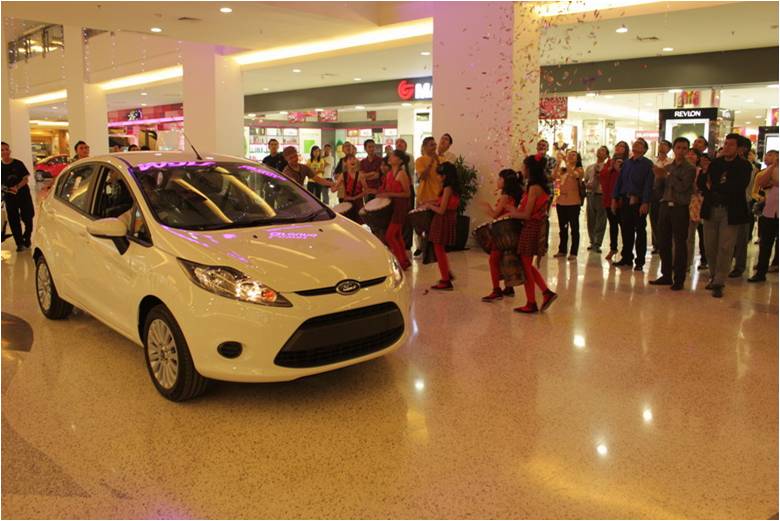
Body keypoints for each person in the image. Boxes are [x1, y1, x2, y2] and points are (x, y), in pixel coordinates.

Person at [697, 133, 752, 298]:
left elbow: (737, 186)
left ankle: (720, 281)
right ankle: (714, 276)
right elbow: (705, 183)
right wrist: (713, 190)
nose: (727, 147)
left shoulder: (744, 166)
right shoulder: (716, 164)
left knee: (725, 246)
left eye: (731, 145)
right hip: (711, 208)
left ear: (738, 148)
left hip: (731, 210)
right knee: (710, 245)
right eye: (726, 143)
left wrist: (718, 189)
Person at [508, 155, 557, 314]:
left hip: (531, 227)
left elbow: (527, 214)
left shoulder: (534, 188)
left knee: (525, 266)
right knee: (526, 264)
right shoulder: (537, 186)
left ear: (530, 169)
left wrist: (513, 212)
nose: (522, 170)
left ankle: (532, 301)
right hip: (534, 226)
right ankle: (545, 293)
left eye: (524, 167)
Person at [649, 137, 696, 290]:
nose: (681, 151)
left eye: (684, 148)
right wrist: (659, 177)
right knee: (663, 241)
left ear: (687, 150)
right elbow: (659, 187)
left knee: (680, 243)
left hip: (679, 207)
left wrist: (668, 175)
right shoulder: (669, 166)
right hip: (665, 205)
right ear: (674, 149)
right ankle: (666, 274)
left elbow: (683, 187)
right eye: (678, 147)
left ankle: (679, 278)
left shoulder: (689, 168)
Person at [479, 169, 523, 301]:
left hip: (503, 232)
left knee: (494, 259)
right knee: (505, 258)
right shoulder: (515, 194)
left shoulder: (505, 196)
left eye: (500, 178)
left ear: (505, 181)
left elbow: (495, 214)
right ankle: (509, 287)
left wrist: (486, 207)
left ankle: (496, 290)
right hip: (512, 230)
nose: (498, 181)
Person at [611, 138, 654, 271]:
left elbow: (648, 184)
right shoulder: (627, 163)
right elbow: (620, 182)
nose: (636, 145)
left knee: (640, 231)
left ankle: (640, 261)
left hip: (639, 201)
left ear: (645, 149)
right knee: (626, 230)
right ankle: (627, 257)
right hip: (625, 200)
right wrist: (614, 198)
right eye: (635, 143)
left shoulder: (647, 164)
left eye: (640, 144)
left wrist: (645, 202)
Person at [425, 162, 460, 290]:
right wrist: (431, 202)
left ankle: (445, 280)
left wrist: (429, 206)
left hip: (442, 220)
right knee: (440, 250)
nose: (438, 178)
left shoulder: (447, 188)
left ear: (445, 176)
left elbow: (442, 210)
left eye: (440, 175)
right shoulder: (453, 188)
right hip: (448, 219)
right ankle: (447, 274)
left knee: (439, 250)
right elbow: (444, 202)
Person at [376, 150, 412, 270]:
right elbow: (385, 190)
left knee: (390, 236)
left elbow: (407, 194)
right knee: (397, 235)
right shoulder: (390, 174)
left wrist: (390, 193)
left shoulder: (402, 174)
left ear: (400, 160)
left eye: (393, 156)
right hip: (393, 207)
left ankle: (401, 260)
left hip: (400, 207)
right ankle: (404, 260)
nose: (390, 157)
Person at [729, 135, 758, 278]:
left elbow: (745, 188)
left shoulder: (748, 167)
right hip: (728, 203)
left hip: (743, 203)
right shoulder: (726, 163)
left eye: (732, 145)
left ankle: (739, 266)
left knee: (740, 237)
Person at [748, 151, 778, 283]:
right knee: (765, 244)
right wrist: (772, 167)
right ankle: (761, 272)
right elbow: (762, 182)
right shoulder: (771, 170)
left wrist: (775, 182)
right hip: (769, 212)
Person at [1, 142, 35, 252]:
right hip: (10, 198)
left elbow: (25, 179)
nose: (5, 151)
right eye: (2, 150)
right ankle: (19, 243)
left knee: (28, 217)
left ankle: (27, 236)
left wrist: (17, 187)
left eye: (6, 149)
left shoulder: (18, 164)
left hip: (23, 195)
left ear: (10, 150)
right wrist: (6, 189)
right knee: (14, 221)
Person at [552, 149, 583, 260]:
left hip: (573, 203)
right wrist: (558, 163)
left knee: (574, 228)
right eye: (569, 154)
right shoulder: (563, 170)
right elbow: (555, 179)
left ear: (577, 158)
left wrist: (566, 160)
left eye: (573, 155)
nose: (570, 156)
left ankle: (574, 252)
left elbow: (574, 175)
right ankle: (562, 250)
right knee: (563, 227)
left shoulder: (579, 169)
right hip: (561, 202)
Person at [414, 137, 442, 258]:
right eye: (431, 145)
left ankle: (430, 248)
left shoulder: (440, 159)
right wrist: (430, 162)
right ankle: (420, 246)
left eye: (434, 144)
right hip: (424, 195)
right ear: (425, 147)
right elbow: (423, 177)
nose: (434, 146)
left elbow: (443, 175)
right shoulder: (420, 160)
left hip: (437, 195)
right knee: (420, 224)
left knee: (433, 225)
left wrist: (438, 161)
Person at [601, 142, 627, 260]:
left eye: (622, 146)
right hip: (608, 196)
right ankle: (613, 247)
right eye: (617, 146)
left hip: (621, 198)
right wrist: (611, 167)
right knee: (612, 225)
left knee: (624, 225)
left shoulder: (628, 162)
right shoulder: (610, 161)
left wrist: (618, 169)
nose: (618, 148)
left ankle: (626, 250)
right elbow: (602, 175)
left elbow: (626, 177)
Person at [686, 148, 709, 273]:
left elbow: (699, 188)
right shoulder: (680, 169)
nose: (690, 156)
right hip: (683, 203)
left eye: (693, 154)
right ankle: (681, 261)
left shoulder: (700, 172)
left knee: (695, 235)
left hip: (697, 204)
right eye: (688, 153)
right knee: (684, 235)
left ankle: (689, 262)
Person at [650, 139, 673, 254]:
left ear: (669, 149)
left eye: (665, 146)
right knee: (654, 219)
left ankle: (664, 243)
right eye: (661, 145)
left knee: (664, 220)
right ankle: (656, 244)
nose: (662, 147)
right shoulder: (653, 161)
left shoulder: (671, 162)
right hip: (654, 193)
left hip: (665, 193)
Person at [585, 145, 609, 253]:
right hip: (590, 194)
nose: (600, 152)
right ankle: (592, 240)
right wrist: (587, 185)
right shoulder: (590, 167)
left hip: (601, 194)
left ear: (607, 155)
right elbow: (585, 180)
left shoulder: (607, 167)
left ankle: (597, 242)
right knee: (591, 219)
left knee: (601, 219)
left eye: (603, 151)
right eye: (599, 150)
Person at [330, 155, 366, 222]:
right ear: (345, 163)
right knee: (348, 223)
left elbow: (366, 191)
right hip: (347, 202)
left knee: (358, 224)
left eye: (354, 159)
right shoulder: (343, 175)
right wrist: (331, 184)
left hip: (358, 202)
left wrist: (355, 197)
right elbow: (333, 190)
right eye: (350, 159)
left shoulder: (360, 175)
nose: (353, 160)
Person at [395, 138, 415, 250]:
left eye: (401, 143)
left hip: (408, 187)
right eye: (397, 143)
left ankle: (407, 242)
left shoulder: (410, 157)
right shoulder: (393, 158)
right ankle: (398, 239)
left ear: (406, 146)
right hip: (397, 190)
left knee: (408, 215)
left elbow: (410, 170)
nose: (399, 144)